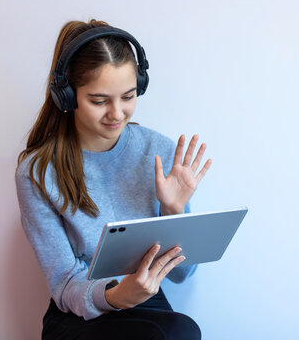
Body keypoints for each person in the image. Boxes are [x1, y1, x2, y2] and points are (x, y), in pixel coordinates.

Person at [15, 19, 211, 340]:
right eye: (99, 100)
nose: (117, 113)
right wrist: (117, 295)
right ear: (67, 96)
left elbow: (183, 274)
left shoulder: (159, 151)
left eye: (128, 96)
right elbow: (64, 284)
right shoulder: (38, 172)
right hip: (79, 310)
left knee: (184, 332)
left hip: (145, 302)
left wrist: (174, 211)